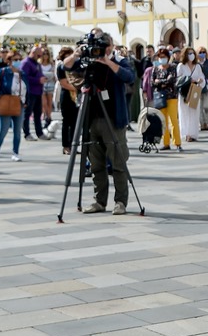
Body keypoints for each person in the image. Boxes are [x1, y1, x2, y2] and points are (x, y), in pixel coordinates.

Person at [62, 34, 137, 215]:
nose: (104, 50)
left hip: (113, 120)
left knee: (118, 163)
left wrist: (107, 62)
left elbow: (129, 77)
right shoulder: (87, 61)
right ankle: (99, 201)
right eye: (100, 47)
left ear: (112, 46)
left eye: (106, 46)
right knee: (95, 164)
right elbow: (64, 67)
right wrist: (77, 54)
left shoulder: (119, 60)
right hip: (91, 118)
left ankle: (120, 202)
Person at [0, 51, 25, 163]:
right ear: (9, 61)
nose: (18, 62)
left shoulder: (22, 74)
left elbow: (26, 88)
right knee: (3, 130)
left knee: (17, 131)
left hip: (19, 103)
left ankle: (15, 153)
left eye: (19, 59)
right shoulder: (3, 72)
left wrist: (26, 100)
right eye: (15, 59)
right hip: (6, 102)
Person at [56, 46, 79, 154]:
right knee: (67, 123)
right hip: (67, 96)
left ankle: (73, 145)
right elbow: (64, 83)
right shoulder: (61, 67)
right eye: (68, 55)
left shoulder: (74, 66)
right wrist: (78, 88)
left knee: (75, 123)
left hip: (75, 97)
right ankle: (66, 146)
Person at [19, 47, 46, 140]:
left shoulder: (36, 63)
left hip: (38, 91)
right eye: (38, 55)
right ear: (33, 52)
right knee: (27, 114)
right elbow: (23, 77)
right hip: (29, 92)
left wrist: (43, 78)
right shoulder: (26, 63)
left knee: (38, 114)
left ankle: (40, 133)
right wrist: (38, 80)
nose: (40, 57)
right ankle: (27, 133)